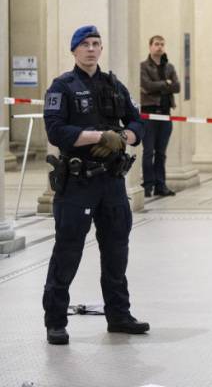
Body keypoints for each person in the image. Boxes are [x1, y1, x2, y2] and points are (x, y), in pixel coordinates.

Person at [42, 25, 148, 345]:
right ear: (74, 50)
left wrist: (123, 138)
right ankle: (56, 321)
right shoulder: (63, 86)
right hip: (77, 183)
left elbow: (136, 123)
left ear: (101, 49)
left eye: (96, 44)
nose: (91, 49)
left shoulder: (114, 85)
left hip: (112, 182)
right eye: (85, 44)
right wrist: (99, 137)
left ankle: (118, 315)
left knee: (116, 250)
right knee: (68, 251)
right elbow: (56, 132)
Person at [139, 34, 181, 197]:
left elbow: (177, 87)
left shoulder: (169, 67)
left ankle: (160, 185)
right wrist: (166, 84)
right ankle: (148, 185)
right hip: (149, 113)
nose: (160, 47)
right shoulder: (143, 66)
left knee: (161, 153)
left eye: (162, 44)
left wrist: (165, 85)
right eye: (156, 44)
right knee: (148, 151)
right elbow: (147, 86)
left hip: (165, 113)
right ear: (150, 46)